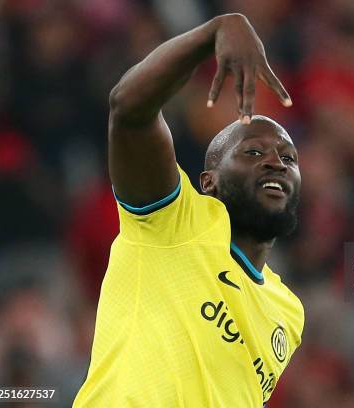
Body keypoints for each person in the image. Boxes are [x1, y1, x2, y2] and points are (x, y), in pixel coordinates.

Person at [73, 14, 304, 407]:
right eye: (253, 152)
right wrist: (211, 34)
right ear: (209, 183)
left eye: (289, 157)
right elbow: (128, 110)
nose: (276, 163)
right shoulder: (174, 221)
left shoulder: (289, 312)